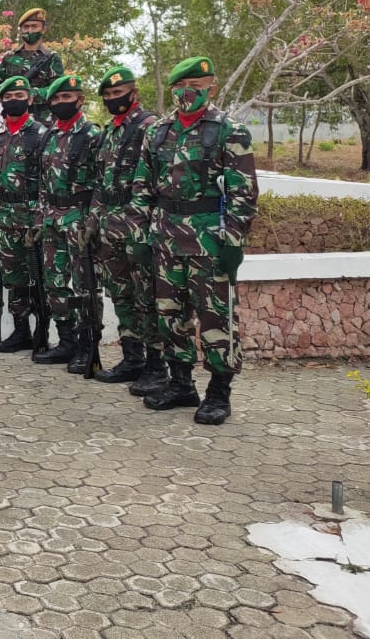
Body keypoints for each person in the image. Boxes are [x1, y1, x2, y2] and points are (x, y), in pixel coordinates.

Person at [130, 56, 258, 425]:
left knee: (215, 317)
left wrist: (234, 242)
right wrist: (141, 233)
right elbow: (142, 188)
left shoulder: (228, 131)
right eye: (183, 89)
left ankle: (219, 392)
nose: (189, 95)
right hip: (166, 237)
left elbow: (243, 192)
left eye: (198, 89)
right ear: (173, 90)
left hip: (210, 241)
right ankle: (181, 383)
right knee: (171, 315)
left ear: (211, 89)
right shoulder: (158, 132)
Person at [88, 67, 161, 389]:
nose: (113, 99)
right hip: (110, 226)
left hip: (138, 226)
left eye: (119, 93)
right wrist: (92, 221)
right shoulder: (109, 132)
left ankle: (157, 366)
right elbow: (99, 182)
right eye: (108, 96)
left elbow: (159, 180)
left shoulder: (150, 127)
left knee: (148, 297)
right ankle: (133, 359)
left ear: (134, 93)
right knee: (121, 295)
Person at [31, 75, 102, 369]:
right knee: (55, 283)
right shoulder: (48, 135)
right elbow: (42, 182)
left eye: (67, 97)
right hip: (51, 221)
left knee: (85, 285)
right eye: (56, 99)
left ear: (80, 99)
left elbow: (102, 181)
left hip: (79, 219)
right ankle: (66, 341)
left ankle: (88, 345)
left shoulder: (91, 134)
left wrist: (93, 222)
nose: (61, 103)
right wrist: (39, 219)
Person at [0, 75, 47, 353]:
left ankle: (44, 330)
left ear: (30, 99)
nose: (14, 100)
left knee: (40, 275)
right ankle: (21, 330)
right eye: (8, 97)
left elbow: (49, 179)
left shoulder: (42, 134)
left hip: (33, 215)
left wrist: (43, 217)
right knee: (13, 277)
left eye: (19, 96)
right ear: (1, 101)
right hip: (5, 216)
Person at [0, 7, 64, 124]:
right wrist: (7, 94)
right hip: (13, 118)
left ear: (43, 29)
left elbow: (57, 89)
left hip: (42, 120)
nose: (30, 30)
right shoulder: (9, 57)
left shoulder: (51, 58)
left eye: (34, 26)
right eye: (26, 27)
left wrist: (31, 93)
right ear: (21, 30)